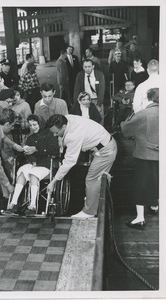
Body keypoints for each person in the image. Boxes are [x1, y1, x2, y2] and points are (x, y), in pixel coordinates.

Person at [46, 114, 117, 218]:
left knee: (91, 179)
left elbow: (70, 161)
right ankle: (93, 202)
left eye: (56, 133)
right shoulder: (65, 118)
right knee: (96, 180)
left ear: (64, 127)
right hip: (103, 146)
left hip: (105, 152)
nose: (55, 135)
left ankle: (89, 212)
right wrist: (61, 140)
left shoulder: (73, 135)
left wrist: (54, 181)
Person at [121, 88, 159, 229]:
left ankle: (140, 218)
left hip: (145, 156)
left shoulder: (143, 114)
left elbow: (126, 130)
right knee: (158, 183)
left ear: (148, 99)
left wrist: (125, 120)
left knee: (141, 185)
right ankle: (155, 207)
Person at [7, 114, 59, 216]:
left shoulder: (49, 134)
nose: (32, 127)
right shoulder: (30, 138)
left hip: (46, 164)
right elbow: (28, 156)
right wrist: (27, 154)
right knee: (22, 172)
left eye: (35, 124)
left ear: (40, 123)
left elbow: (54, 150)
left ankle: (32, 206)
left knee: (33, 174)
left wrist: (36, 149)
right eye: (30, 125)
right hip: (33, 164)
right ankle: (13, 204)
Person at [74, 59, 105, 123]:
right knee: (86, 120)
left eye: (89, 67)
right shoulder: (80, 75)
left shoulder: (99, 74)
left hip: (97, 100)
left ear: (93, 66)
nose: (87, 69)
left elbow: (102, 90)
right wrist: (76, 104)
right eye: (85, 67)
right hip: (85, 100)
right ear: (83, 67)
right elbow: (77, 90)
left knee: (99, 120)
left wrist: (99, 104)